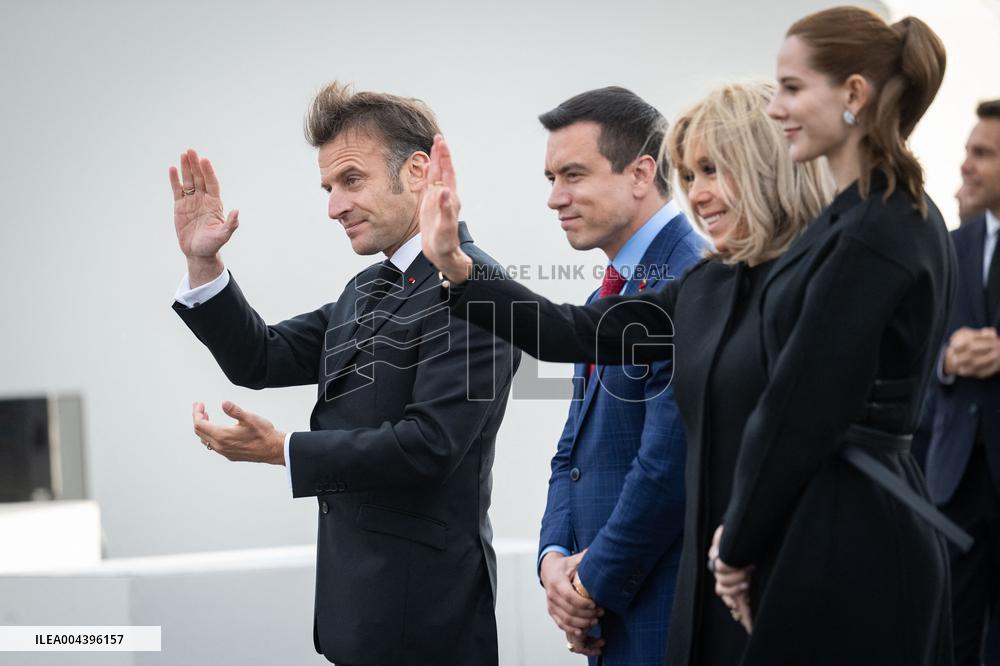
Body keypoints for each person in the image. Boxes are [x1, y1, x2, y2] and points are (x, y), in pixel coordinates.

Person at [422, 6, 957, 664]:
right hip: (726, 576)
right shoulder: (709, 284)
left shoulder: (844, 248)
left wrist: (735, 546)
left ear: (767, 165)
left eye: (712, 169)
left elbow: (797, 417)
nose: (696, 194)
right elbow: (579, 332)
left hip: (813, 555)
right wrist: (459, 267)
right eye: (691, 173)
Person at [168, 82, 519, 666]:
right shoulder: (367, 288)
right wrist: (203, 261)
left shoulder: (477, 289)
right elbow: (261, 357)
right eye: (329, 188)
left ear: (418, 171)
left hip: (426, 625)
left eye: (351, 180)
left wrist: (284, 450)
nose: (334, 207)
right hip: (356, 621)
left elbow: (430, 446)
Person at [532, 87, 709, 664]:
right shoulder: (603, 297)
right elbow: (572, 451)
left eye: (573, 175)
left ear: (640, 173)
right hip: (606, 614)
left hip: (662, 612)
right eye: (551, 178)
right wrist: (553, 559)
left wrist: (588, 586)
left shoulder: (692, 280)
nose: (555, 198)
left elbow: (666, 470)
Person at [926, 98, 1000, 666]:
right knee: (951, 637)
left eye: (983, 153)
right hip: (956, 482)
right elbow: (920, 352)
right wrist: (947, 360)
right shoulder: (954, 247)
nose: (966, 165)